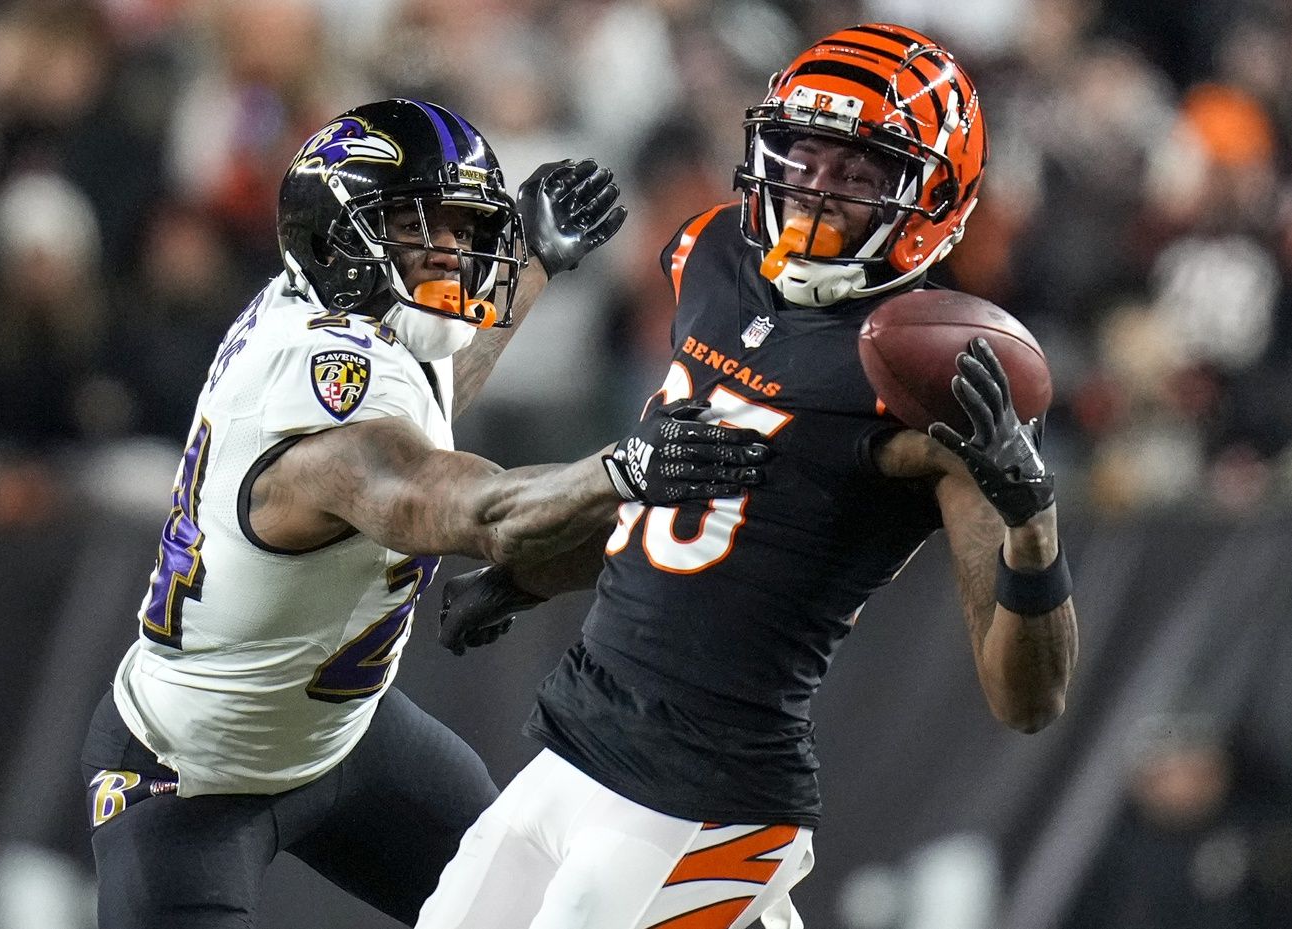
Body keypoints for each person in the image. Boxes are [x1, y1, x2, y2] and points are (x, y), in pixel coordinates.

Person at [420, 24, 1079, 929]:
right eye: (801, 157)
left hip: (710, 797)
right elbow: (695, 503)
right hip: (578, 743)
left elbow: (1027, 699)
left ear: (935, 197)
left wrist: (1032, 526)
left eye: (856, 174)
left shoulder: (934, 383)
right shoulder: (714, 252)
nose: (815, 190)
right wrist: (526, 576)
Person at [79, 98, 770, 929]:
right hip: (187, 781)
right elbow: (468, 505)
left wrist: (535, 261)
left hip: (352, 739)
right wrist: (622, 469)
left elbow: (428, 401)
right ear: (338, 239)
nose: (453, 256)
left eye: (461, 230)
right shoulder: (317, 401)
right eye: (418, 230)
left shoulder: (357, 322)